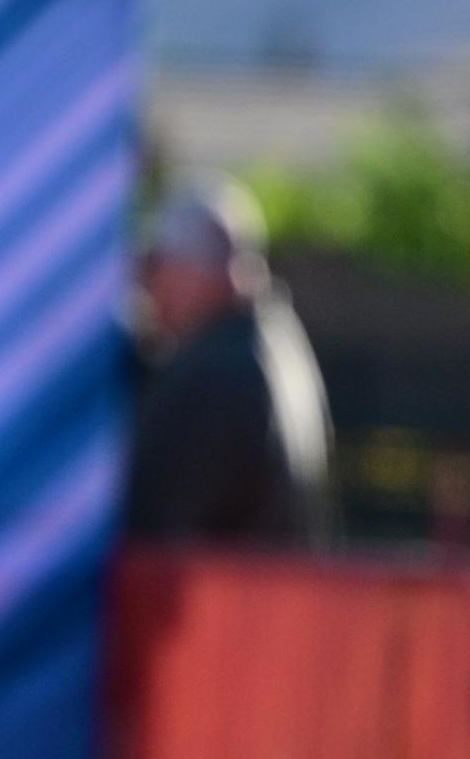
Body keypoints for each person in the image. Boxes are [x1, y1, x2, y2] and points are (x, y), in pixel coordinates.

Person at [122, 178, 332, 546]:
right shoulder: (271, 341)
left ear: (196, 270)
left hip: (232, 582)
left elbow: (147, 526)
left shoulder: (214, 372)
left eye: (156, 267)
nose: (149, 289)